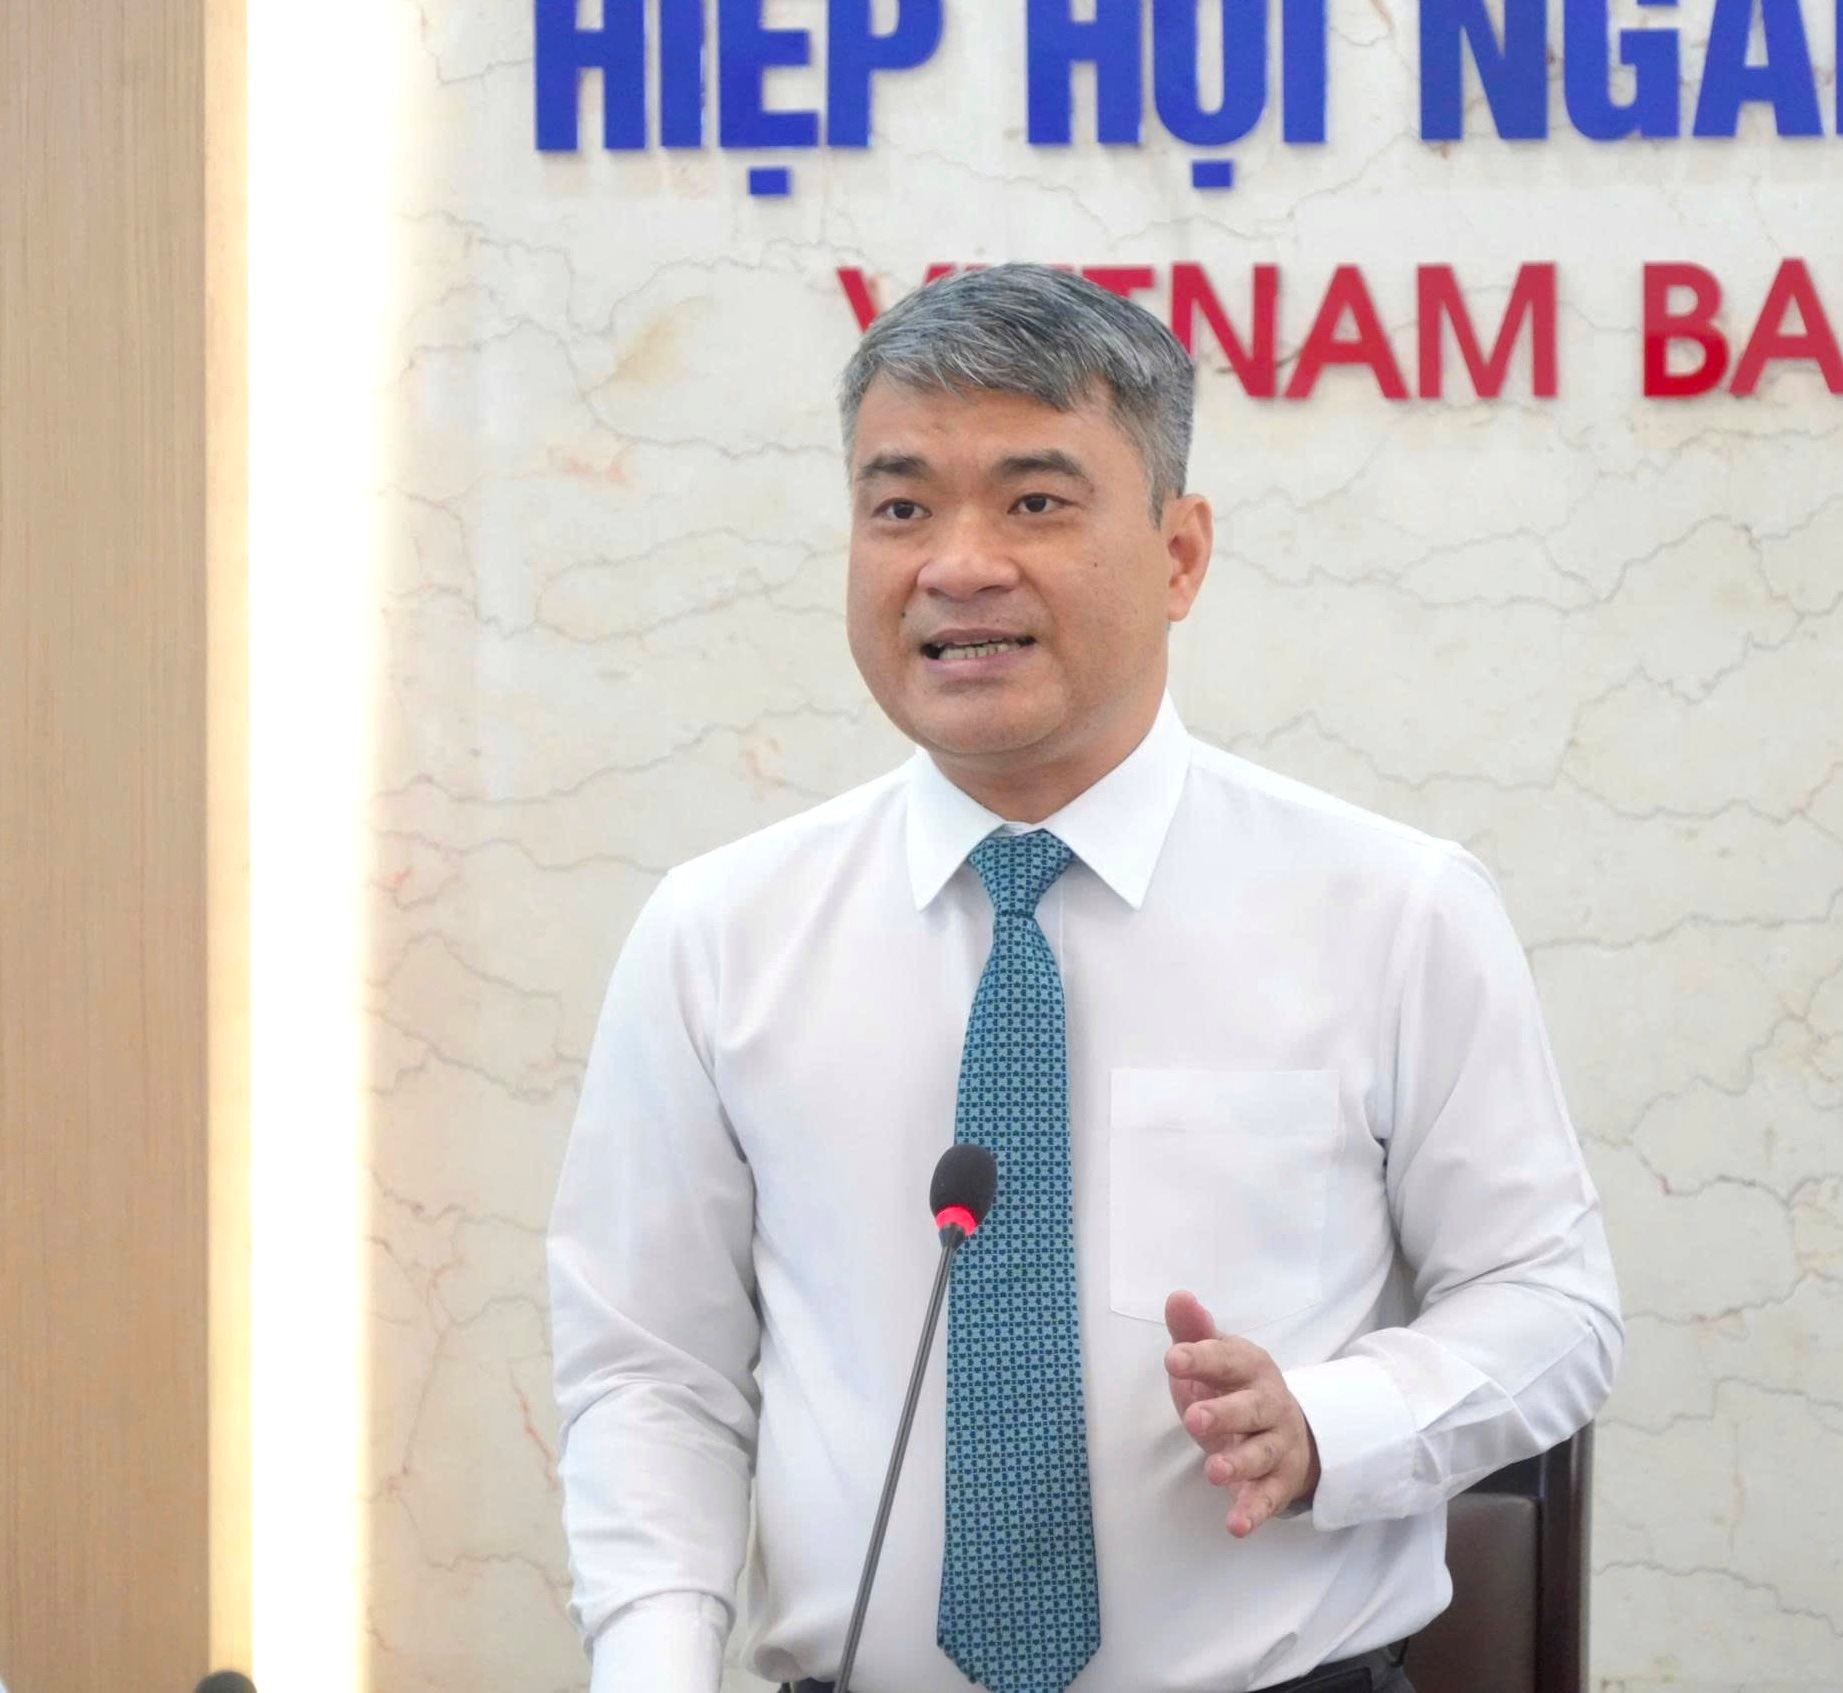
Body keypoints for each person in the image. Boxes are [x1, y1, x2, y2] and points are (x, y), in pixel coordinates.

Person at [547, 264, 1623, 1693]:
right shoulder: (718, 933)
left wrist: (1333, 1421)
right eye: (900, 507)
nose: (958, 564)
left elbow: (1551, 1302)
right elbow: (650, 1374)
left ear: (1180, 555)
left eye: (1035, 501)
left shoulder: (1392, 909)